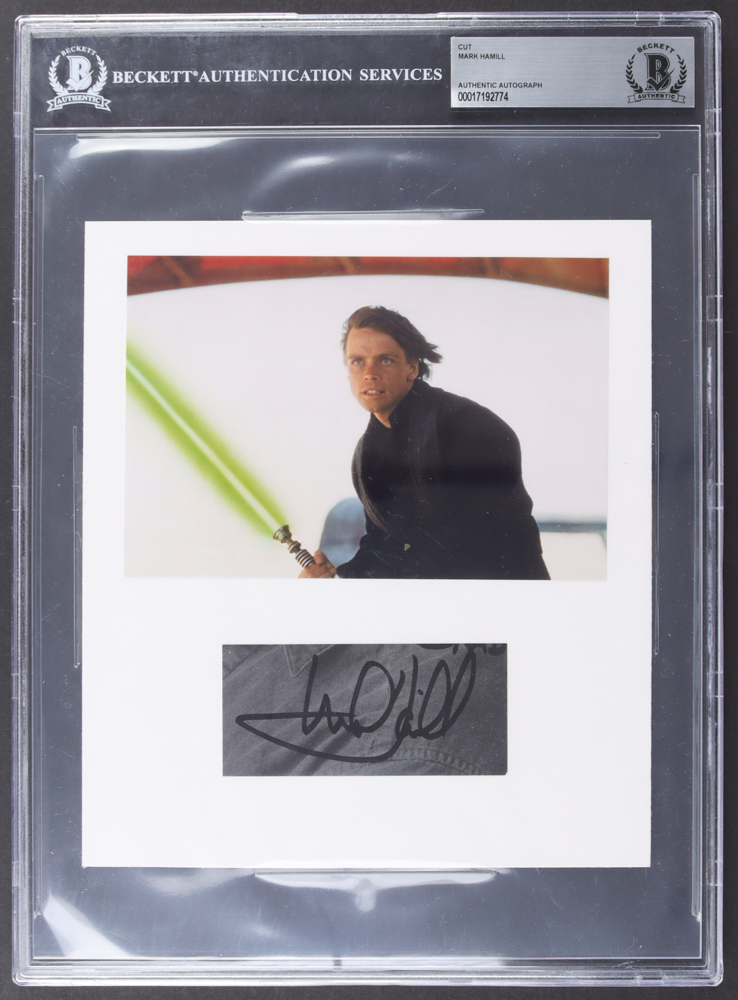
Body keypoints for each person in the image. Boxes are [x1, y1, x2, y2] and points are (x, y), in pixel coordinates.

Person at [301, 305, 549, 580]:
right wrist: (335, 579)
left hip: (505, 593)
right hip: (435, 595)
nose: (370, 373)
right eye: (358, 361)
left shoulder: (470, 425)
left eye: (385, 360)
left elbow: (466, 544)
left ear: (412, 368)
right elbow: (383, 547)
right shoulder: (366, 453)